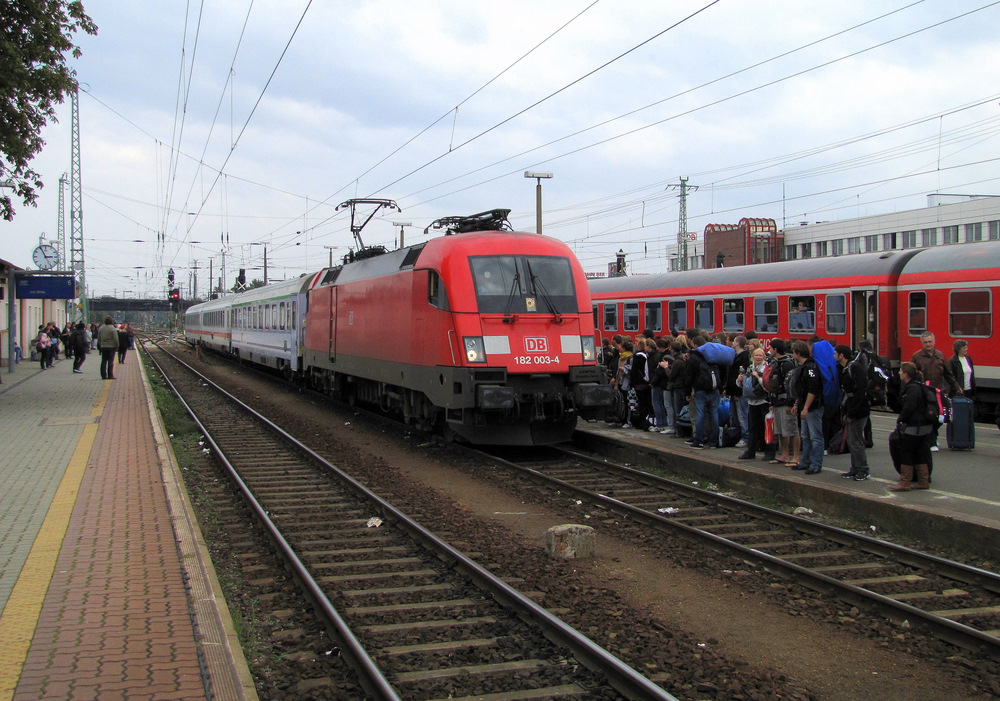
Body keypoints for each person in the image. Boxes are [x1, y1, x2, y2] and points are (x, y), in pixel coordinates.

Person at [910, 331, 959, 452]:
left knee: (940, 417)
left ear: (934, 341)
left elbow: (948, 374)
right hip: (924, 391)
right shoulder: (916, 357)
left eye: (930, 341)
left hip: (938, 391)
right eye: (925, 342)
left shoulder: (940, 355)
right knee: (929, 416)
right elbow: (911, 373)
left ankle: (933, 436)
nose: (928, 344)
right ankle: (931, 441)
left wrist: (956, 387)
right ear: (922, 343)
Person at [891, 362, 933, 491]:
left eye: (901, 371)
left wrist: (901, 419)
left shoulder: (912, 388)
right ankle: (923, 480)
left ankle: (905, 482)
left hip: (915, 425)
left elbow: (909, 407)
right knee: (919, 451)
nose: (899, 373)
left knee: (906, 451)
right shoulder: (920, 386)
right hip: (925, 425)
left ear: (906, 374)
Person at [835, 344, 871, 481]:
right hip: (851, 408)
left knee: (856, 441)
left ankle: (863, 469)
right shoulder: (846, 369)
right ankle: (855, 468)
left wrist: (851, 414)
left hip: (858, 410)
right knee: (851, 440)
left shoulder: (854, 368)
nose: (834, 356)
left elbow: (859, 393)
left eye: (835, 354)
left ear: (841, 355)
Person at [790, 340, 823, 474]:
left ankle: (816, 464)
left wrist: (806, 408)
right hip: (805, 405)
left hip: (813, 407)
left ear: (798, 353)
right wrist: (797, 404)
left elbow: (812, 390)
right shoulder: (804, 367)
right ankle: (806, 462)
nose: (793, 355)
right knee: (805, 436)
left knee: (815, 437)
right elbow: (802, 390)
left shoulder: (810, 368)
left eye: (793, 353)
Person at [684, 336, 721, 449]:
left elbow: (689, 377)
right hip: (714, 390)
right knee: (714, 416)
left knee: (700, 415)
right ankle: (714, 442)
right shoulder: (714, 356)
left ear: (695, 345)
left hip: (700, 391)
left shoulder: (694, 359)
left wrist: (687, 392)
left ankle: (699, 441)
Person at [767, 339, 800, 467]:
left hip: (785, 399)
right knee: (780, 430)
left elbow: (790, 385)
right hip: (777, 400)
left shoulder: (786, 364)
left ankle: (795, 456)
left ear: (776, 349)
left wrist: (790, 403)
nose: (769, 350)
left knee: (792, 429)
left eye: (771, 348)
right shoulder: (776, 363)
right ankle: (784, 454)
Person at [738, 347, 773, 461]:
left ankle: (769, 452)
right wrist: (739, 380)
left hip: (764, 401)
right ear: (752, 357)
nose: (758, 357)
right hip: (752, 402)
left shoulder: (767, 369)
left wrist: (758, 377)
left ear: (764, 357)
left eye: (760, 355)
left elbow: (767, 386)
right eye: (756, 355)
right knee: (752, 428)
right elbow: (744, 386)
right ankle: (750, 451)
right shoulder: (749, 368)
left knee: (766, 428)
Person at [727, 335, 750, 449]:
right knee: (735, 415)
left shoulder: (743, 358)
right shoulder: (737, 356)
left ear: (737, 343)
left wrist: (737, 392)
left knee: (742, 415)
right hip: (733, 391)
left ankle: (745, 437)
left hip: (738, 392)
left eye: (734, 341)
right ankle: (737, 434)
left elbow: (741, 376)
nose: (732, 342)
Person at [97, 316, 119, 380]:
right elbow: (116, 339)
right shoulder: (113, 328)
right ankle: (110, 375)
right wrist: (117, 346)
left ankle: (103, 376)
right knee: (110, 361)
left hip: (103, 346)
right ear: (111, 321)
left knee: (103, 361)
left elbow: (99, 338)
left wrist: (101, 344)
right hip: (112, 347)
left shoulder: (101, 328)